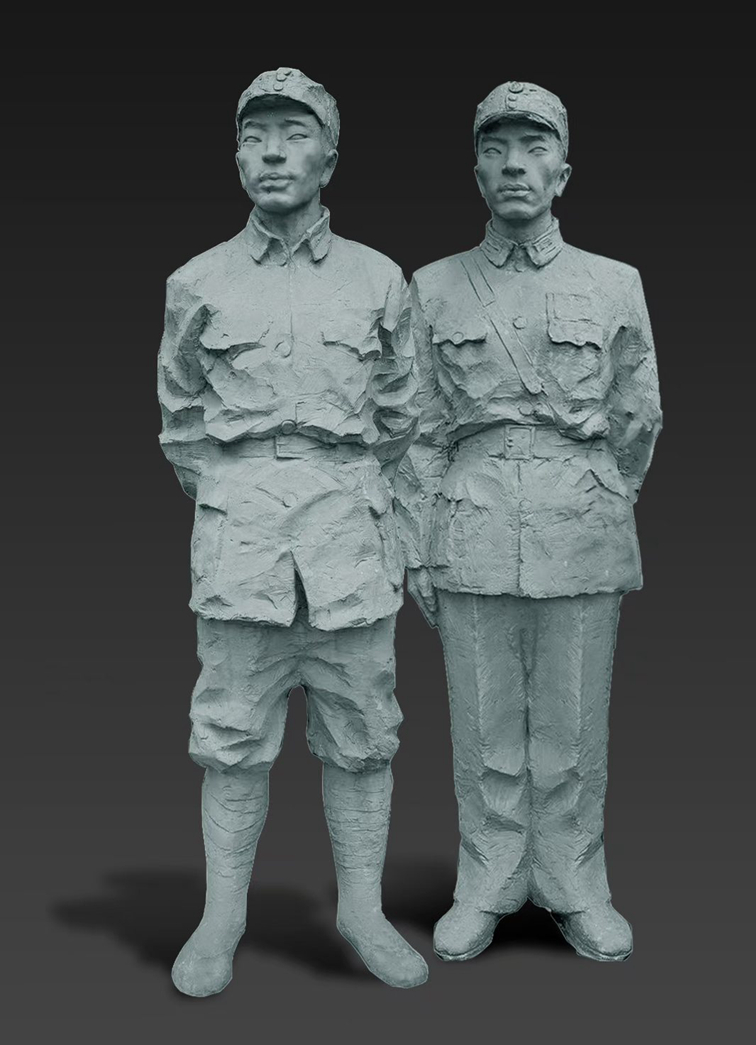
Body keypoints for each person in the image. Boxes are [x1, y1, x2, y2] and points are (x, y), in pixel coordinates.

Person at [158, 67, 427, 995]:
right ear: (236, 156)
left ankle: (363, 910)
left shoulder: (379, 277)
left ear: (330, 156)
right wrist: (241, 494)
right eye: (253, 136)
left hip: (350, 539)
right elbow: (180, 422)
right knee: (230, 734)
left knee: (365, 732)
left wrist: (342, 486)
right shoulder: (196, 281)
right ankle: (221, 917)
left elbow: (404, 413)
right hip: (241, 546)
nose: (272, 153)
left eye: (293, 133)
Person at [396, 80, 662, 963]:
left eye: (534, 148)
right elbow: (415, 428)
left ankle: (575, 882)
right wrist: (418, 544)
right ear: (476, 171)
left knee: (574, 725)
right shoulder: (432, 287)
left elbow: (638, 415)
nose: (515, 165)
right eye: (497, 149)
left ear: (563, 171)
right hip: (470, 522)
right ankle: (489, 881)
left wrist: (598, 495)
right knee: (482, 723)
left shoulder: (614, 282)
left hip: (580, 517)